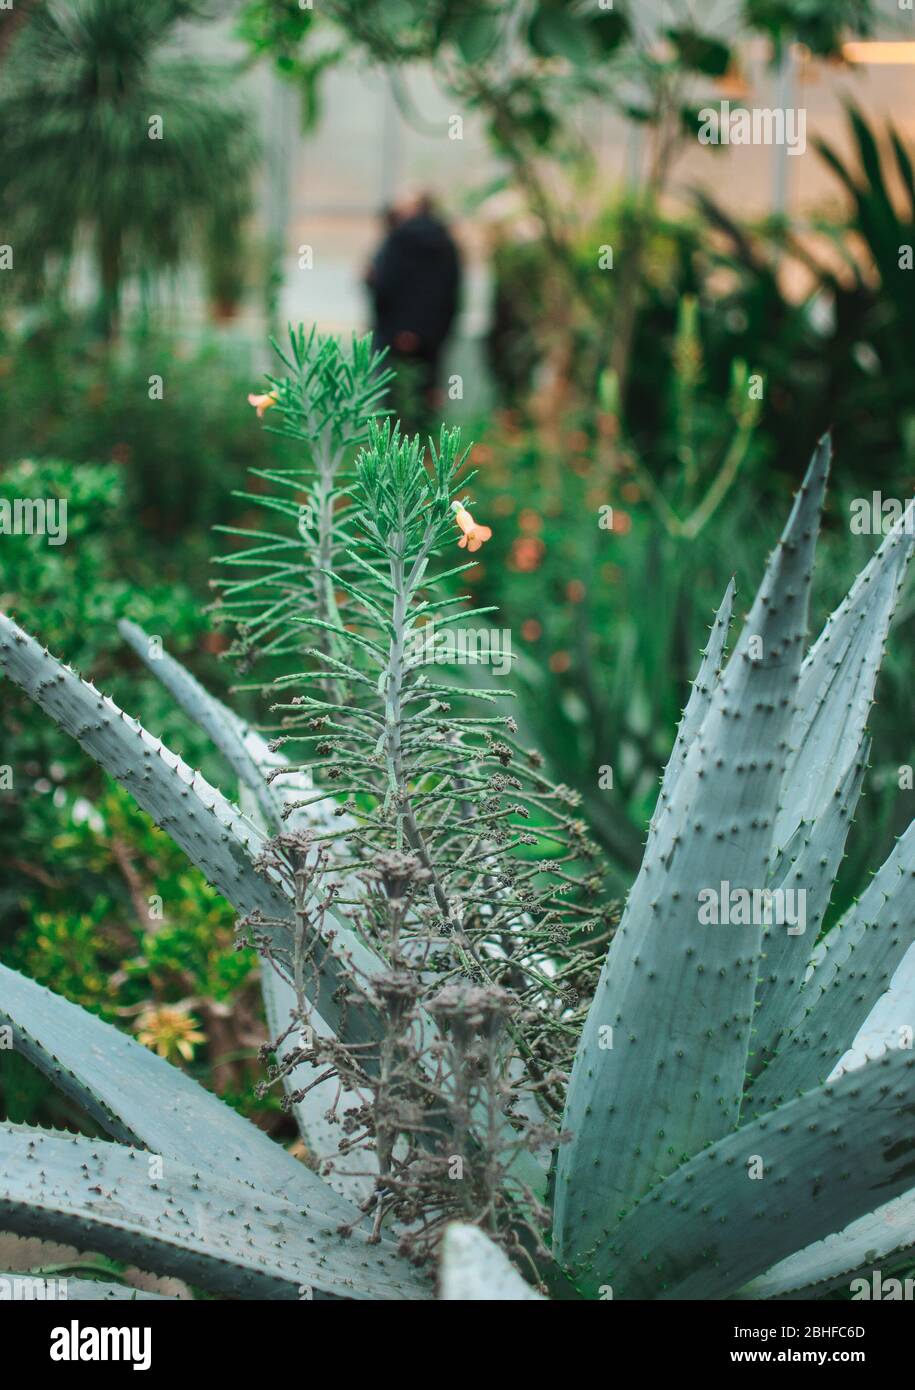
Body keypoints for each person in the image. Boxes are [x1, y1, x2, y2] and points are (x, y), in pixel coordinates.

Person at [365, 193, 461, 424]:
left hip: (393, 335)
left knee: (392, 402)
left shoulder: (397, 241)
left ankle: (391, 455)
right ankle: (426, 453)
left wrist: (400, 329)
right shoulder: (448, 244)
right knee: (426, 399)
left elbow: (386, 286)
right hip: (433, 339)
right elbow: (450, 295)